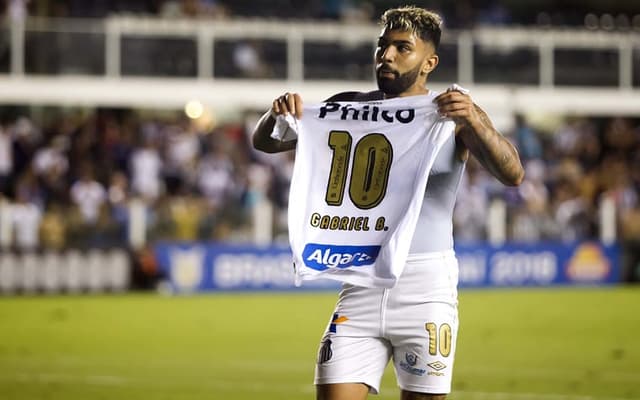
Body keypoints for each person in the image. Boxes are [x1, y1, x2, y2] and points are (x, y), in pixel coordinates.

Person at [252, 6, 524, 400]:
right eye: (382, 46)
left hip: (426, 286)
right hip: (362, 279)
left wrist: (475, 122)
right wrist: (274, 113)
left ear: (429, 62)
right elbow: (266, 141)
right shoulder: (349, 106)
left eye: (402, 48)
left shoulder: (452, 112)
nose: (387, 56)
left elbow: (513, 174)